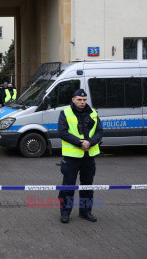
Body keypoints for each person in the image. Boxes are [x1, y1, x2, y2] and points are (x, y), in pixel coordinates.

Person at [57, 89, 103, 224]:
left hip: (89, 157)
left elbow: (99, 132)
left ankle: (85, 211)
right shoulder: (65, 113)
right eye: (79, 99)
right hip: (71, 158)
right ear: (73, 100)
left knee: (87, 186)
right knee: (68, 187)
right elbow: (63, 132)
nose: (82, 102)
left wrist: (90, 142)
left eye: (84, 100)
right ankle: (65, 213)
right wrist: (79, 143)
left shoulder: (93, 113)